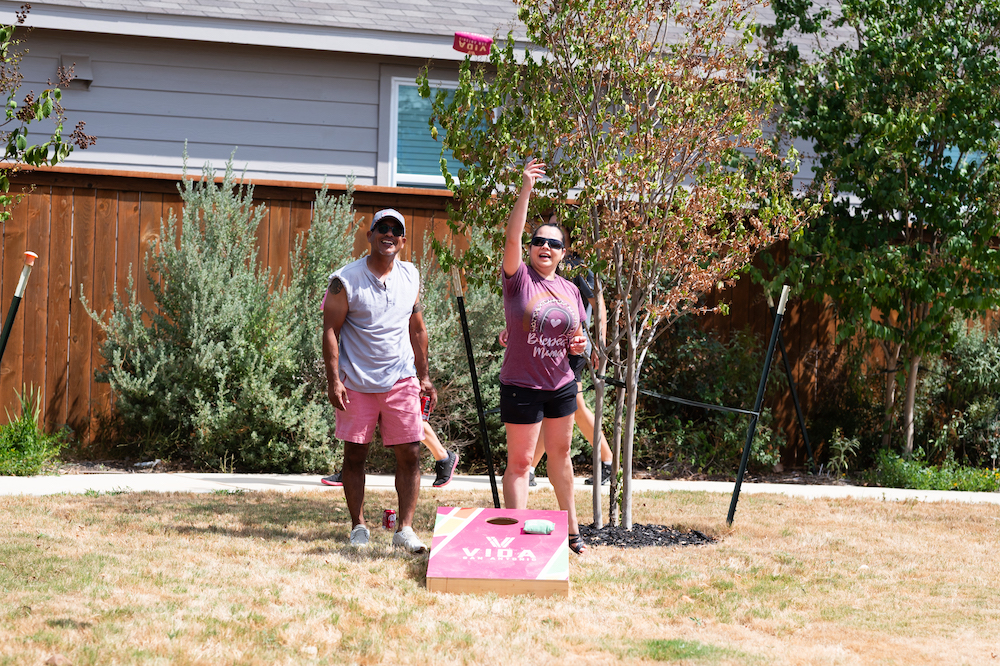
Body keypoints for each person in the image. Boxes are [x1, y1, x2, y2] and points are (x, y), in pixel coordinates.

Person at [322, 208, 436, 553]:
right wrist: (333, 381)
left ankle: (405, 529)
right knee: (355, 455)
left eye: (396, 230)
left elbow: (417, 328)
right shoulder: (345, 279)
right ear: (369, 235)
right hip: (356, 381)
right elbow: (330, 330)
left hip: (400, 379)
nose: (389, 234)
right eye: (382, 228)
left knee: (411, 453)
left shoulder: (411, 275)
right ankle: (358, 527)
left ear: (403, 240)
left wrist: (425, 375)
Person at [499, 159, 588, 555]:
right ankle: (516, 536)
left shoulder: (570, 290)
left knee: (562, 458)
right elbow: (512, 236)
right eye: (540, 242)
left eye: (554, 243)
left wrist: (579, 345)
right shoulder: (519, 279)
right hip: (522, 385)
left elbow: (576, 334)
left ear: (563, 253)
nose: (545, 247)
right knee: (519, 464)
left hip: (560, 385)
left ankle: (571, 531)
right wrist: (525, 189)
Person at [321, 421, 460, 488]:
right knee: (361, 414)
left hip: (396, 371)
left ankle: (443, 456)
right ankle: (349, 472)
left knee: (408, 418)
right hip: (368, 371)